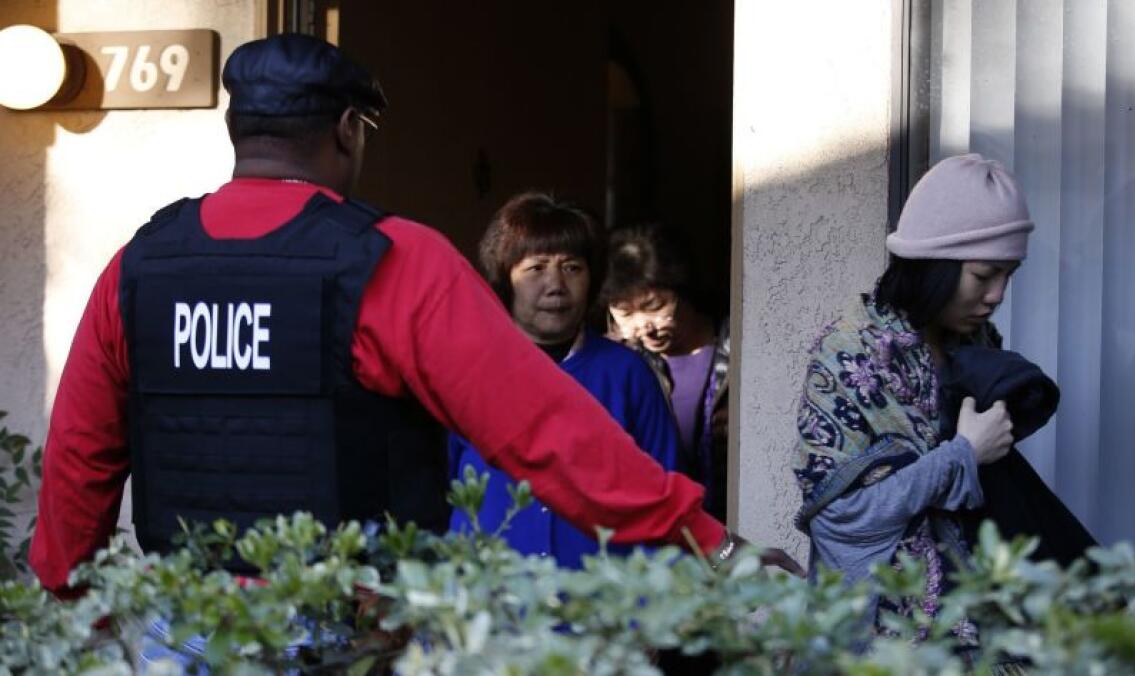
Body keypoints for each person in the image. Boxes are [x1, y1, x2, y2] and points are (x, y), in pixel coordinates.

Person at [30, 33, 802, 596]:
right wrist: (710, 541)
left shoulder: (140, 265)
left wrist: (68, 605)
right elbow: (546, 431)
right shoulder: (393, 261)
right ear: (345, 131)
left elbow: (78, 459)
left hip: (187, 628)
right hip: (350, 631)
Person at [792, 154, 1024, 634]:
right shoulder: (849, 356)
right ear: (932, 265)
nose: (997, 295)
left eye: (1009, 274)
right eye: (984, 275)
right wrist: (962, 456)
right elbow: (839, 519)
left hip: (976, 622)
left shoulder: (979, 346)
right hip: (884, 635)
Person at [447, 192, 681, 569]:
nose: (555, 284)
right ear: (506, 280)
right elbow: (433, 491)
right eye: (536, 268)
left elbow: (666, 500)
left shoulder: (629, 376)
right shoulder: (464, 375)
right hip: (489, 605)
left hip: (602, 606)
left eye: (572, 267)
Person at [601, 224, 731, 521]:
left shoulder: (736, 346)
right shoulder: (618, 363)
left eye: (654, 306)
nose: (644, 326)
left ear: (682, 289)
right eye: (625, 313)